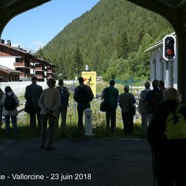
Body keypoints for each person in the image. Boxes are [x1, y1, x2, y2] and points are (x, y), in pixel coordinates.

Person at [147, 88, 186, 185]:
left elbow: (150, 135)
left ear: (165, 97)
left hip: (163, 157)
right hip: (183, 156)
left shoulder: (160, 112)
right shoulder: (184, 111)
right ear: (178, 97)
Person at [38, 78, 61, 150]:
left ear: (47, 84)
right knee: (51, 129)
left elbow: (40, 102)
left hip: (43, 112)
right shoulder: (56, 92)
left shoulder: (44, 91)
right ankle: (49, 145)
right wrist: (51, 110)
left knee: (43, 129)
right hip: (52, 113)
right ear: (54, 84)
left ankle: (42, 144)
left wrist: (45, 109)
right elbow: (58, 103)